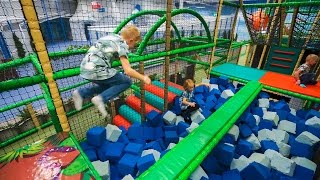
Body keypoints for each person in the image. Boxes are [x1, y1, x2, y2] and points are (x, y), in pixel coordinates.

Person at [72, 25, 151, 117]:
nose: (133, 46)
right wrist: (144, 77)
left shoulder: (112, 37)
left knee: (109, 86)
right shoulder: (122, 44)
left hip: (85, 68)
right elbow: (128, 70)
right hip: (98, 68)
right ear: (131, 40)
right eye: (134, 44)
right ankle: (101, 99)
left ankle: (81, 93)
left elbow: (107, 52)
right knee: (127, 82)